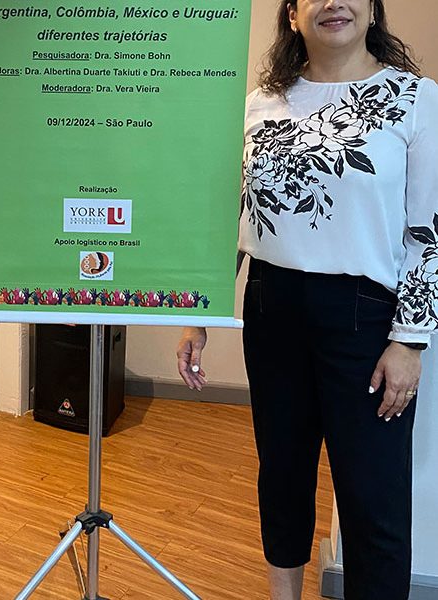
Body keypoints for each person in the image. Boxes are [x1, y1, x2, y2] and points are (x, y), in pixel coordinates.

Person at [177, 1, 437, 598]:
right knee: (283, 475)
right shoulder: (260, 104)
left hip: (368, 319)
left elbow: (430, 230)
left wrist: (410, 341)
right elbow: (230, 218)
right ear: (293, 15)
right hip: (272, 305)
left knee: (374, 496)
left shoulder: (415, 99)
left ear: (372, 10)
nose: (333, 3)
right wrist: (199, 315)